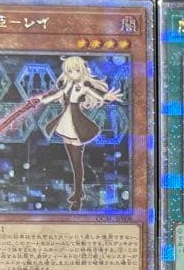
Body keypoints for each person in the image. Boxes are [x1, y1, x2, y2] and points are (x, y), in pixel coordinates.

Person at [33, 56, 122, 211]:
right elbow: (55, 95)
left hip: (77, 124)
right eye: (70, 71)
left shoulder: (83, 85)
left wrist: (106, 97)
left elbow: (96, 93)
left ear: (81, 71)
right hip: (66, 123)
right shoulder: (67, 85)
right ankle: (78, 193)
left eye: (76, 71)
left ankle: (78, 195)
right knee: (74, 163)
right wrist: (40, 100)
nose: (73, 74)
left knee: (77, 163)